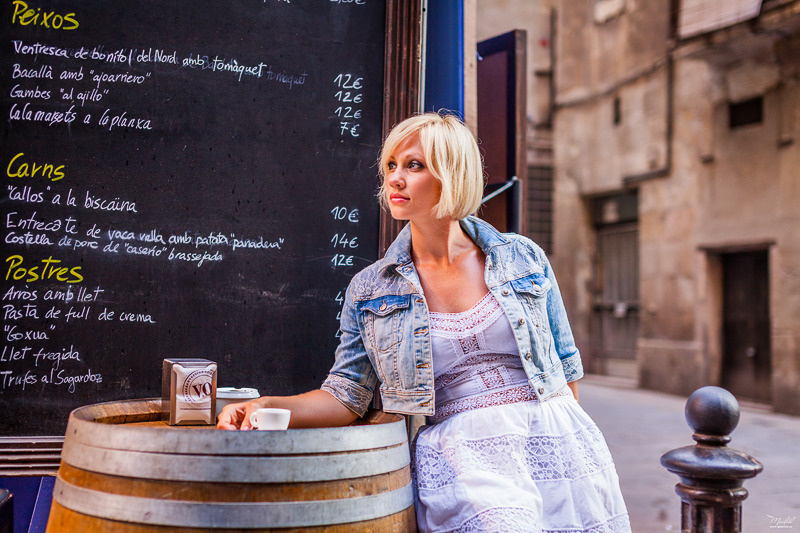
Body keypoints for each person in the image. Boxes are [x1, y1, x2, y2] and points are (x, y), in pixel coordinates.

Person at [218, 112, 631, 533]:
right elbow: (346, 395)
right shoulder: (371, 289)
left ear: (453, 173)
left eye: (413, 165)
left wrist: (568, 442)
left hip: (556, 441)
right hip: (462, 455)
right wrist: (267, 405)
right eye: (391, 166)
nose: (395, 179)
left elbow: (565, 367)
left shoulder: (522, 257)